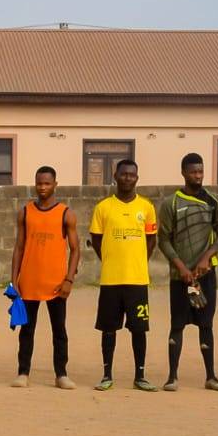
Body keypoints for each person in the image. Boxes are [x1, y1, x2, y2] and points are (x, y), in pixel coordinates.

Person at [156, 153, 218, 392]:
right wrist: (181, 267)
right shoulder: (171, 203)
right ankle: (172, 377)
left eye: (200, 171)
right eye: (193, 172)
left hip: (204, 276)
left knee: (206, 324)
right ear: (183, 173)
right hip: (181, 278)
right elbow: (163, 240)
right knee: (177, 324)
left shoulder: (214, 200)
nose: (198, 176)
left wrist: (206, 258)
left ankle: (211, 376)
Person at [89, 158, 159, 391]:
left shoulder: (146, 207)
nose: (128, 178)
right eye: (124, 174)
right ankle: (107, 374)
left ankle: (140, 376)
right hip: (111, 279)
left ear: (137, 178)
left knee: (139, 329)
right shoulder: (103, 207)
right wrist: (109, 259)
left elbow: (151, 240)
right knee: (109, 329)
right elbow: (96, 240)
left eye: (132, 174)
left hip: (137, 280)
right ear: (115, 176)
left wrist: (139, 261)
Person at [9, 165, 79, 389]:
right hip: (29, 282)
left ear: (55, 184)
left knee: (59, 330)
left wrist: (69, 280)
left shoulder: (66, 213)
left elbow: (76, 250)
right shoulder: (25, 212)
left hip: (56, 284)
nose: (42, 187)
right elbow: (19, 247)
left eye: (47, 183)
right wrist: (14, 280)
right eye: (39, 183)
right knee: (27, 330)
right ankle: (23, 373)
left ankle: (61, 374)